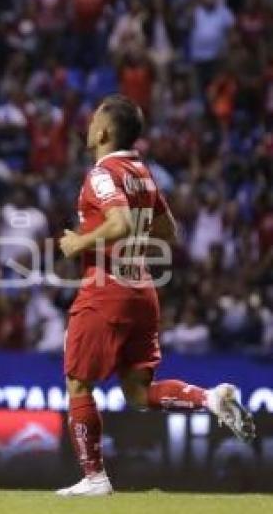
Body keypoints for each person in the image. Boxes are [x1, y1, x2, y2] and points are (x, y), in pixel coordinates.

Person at [56, 94, 255, 497]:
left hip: (105, 289)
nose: (89, 125)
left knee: (79, 384)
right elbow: (168, 232)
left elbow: (120, 221)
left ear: (105, 131)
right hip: (141, 291)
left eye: (94, 119)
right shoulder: (142, 173)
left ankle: (94, 477)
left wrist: (80, 243)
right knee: (137, 392)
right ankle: (209, 399)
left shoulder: (102, 173)